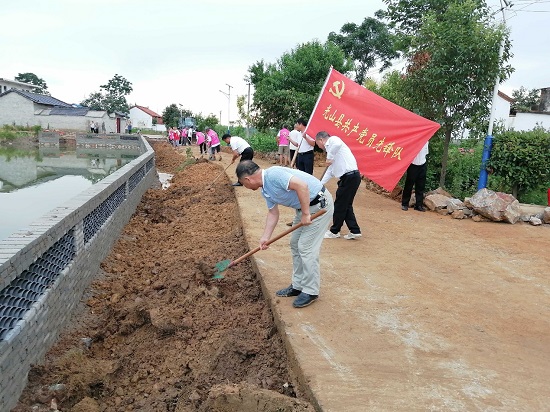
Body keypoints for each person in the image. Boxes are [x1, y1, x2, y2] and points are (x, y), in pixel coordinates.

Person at [235, 160, 334, 308]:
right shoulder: (265, 190)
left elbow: (302, 186)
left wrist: (306, 213)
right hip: (303, 209)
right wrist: (265, 237)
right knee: (295, 244)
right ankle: (298, 285)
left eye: (244, 184)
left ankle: (311, 290)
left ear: (247, 179)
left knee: (306, 247)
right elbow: (273, 213)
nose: (246, 187)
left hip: (319, 206)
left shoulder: (274, 174)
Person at [315, 131, 362, 240]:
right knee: (346, 205)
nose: (319, 147)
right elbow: (330, 171)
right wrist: (319, 184)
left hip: (349, 177)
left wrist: (329, 157)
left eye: (318, 144)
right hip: (351, 178)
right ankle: (354, 230)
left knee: (340, 204)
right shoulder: (331, 151)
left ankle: (334, 231)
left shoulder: (333, 140)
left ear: (321, 140)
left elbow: (337, 145)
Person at [401, 141, 429, 212]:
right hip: (413, 164)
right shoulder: (415, 139)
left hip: (423, 164)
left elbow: (425, 153)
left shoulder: (426, 141)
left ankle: (418, 205)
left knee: (420, 186)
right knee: (409, 184)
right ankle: (405, 204)